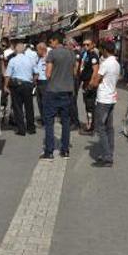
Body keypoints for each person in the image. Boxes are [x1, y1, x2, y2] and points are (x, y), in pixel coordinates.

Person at [41, 32, 75, 160]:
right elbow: (74, 72)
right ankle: (65, 150)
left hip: (53, 90)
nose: (51, 44)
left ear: (55, 41)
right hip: (67, 91)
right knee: (65, 121)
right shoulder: (71, 53)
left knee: (49, 121)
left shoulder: (52, 53)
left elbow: (48, 74)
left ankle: (49, 151)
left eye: (51, 42)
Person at [90, 41, 121, 167]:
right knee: (109, 127)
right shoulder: (116, 63)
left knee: (100, 128)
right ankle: (109, 152)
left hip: (104, 98)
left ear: (105, 50)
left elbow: (96, 80)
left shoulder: (106, 63)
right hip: (111, 97)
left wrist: (90, 85)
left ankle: (107, 157)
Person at [4, 43, 37, 136]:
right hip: (28, 85)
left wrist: (5, 86)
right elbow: (36, 73)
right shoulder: (30, 60)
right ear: (24, 50)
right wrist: (33, 82)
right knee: (29, 107)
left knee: (17, 107)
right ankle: (31, 128)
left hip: (16, 85)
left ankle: (21, 129)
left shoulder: (13, 60)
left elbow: (7, 75)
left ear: (16, 50)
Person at [79, 39, 100, 134]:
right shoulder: (87, 54)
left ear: (93, 45)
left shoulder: (93, 56)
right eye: (84, 44)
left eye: (88, 44)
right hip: (85, 82)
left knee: (90, 105)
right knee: (87, 105)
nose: (85, 46)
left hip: (89, 84)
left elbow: (95, 70)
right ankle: (90, 124)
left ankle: (90, 127)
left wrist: (91, 83)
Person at [34, 42, 48, 123]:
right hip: (38, 81)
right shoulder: (37, 57)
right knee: (39, 101)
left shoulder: (48, 57)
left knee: (45, 101)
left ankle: (46, 118)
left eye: (37, 50)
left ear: (42, 49)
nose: (36, 51)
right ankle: (42, 117)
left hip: (45, 81)